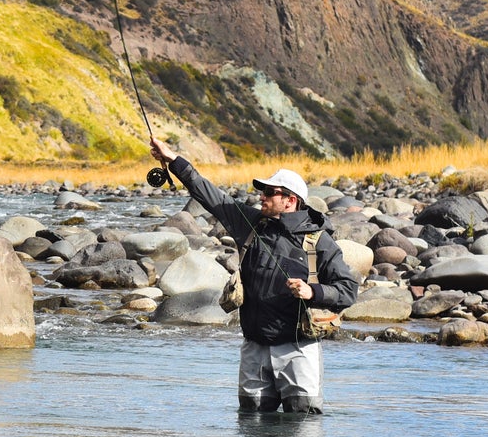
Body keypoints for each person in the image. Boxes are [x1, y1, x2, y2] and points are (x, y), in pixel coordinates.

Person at [149, 137, 360, 413]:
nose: (262, 196)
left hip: (298, 351)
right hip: (254, 350)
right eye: (263, 191)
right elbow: (209, 195)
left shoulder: (318, 241)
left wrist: (313, 292)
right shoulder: (248, 223)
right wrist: (172, 159)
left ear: (289, 201)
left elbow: (348, 290)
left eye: (270, 192)